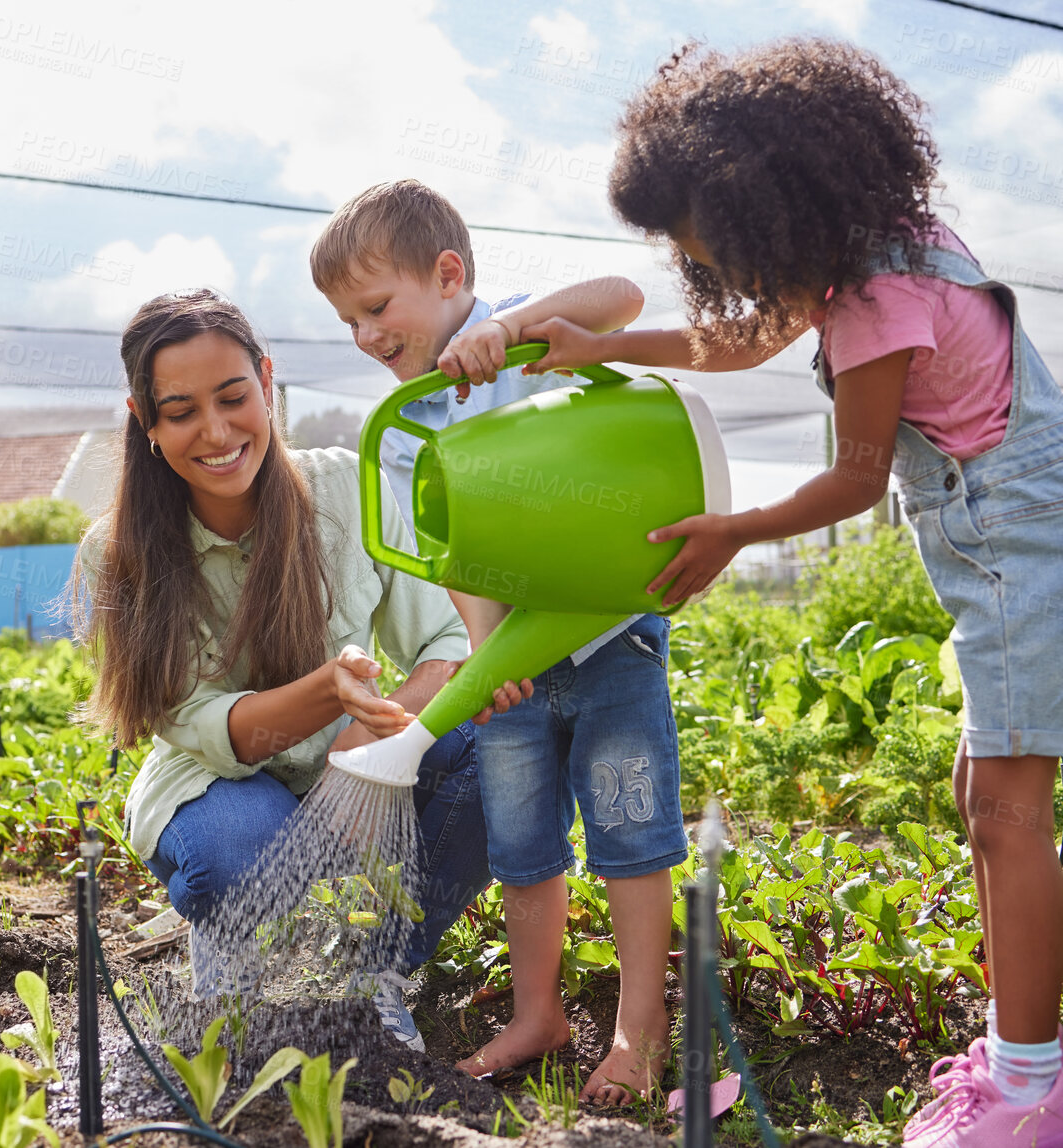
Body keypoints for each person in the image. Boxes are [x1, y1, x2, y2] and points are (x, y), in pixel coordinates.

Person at [525, 39, 1063, 1147]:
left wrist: (733, 531)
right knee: (983, 797)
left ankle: (1034, 1094)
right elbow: (740, 339)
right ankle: (1012, 1055)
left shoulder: (875, 297)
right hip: (1022, 545)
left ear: (778, 212)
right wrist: (593, 344)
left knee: (1007, 813)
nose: (737, 283)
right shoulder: (888, 251)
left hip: (1030, 548)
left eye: (730, 256)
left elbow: (855, 477)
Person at [312, 179, 687, 1106]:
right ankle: (537, 1015)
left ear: (448, 277)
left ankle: (641, 1029)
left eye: (375, 307)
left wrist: (514, 331)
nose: (365, 336)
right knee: (523, 849)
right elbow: (452, 558)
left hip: (607, 641)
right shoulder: (402, 432)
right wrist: (490, 662)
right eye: (346, 322)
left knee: (629, 834)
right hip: (517, 661)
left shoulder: (522, 343)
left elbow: (621, 297)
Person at [69, 288, 522, 1053]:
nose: (215, 432)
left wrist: (363, 736)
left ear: (267, 381)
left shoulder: (345, 486)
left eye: (233, 397)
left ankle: (370, 968)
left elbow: (446, 638)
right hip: (222, 785)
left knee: (499, 754)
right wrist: (327, 693)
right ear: (144, 421)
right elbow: (212, 729)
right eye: (180, 412)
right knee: (241, 856)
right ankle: (243, 962)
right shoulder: (120, 553)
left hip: (348, 767)